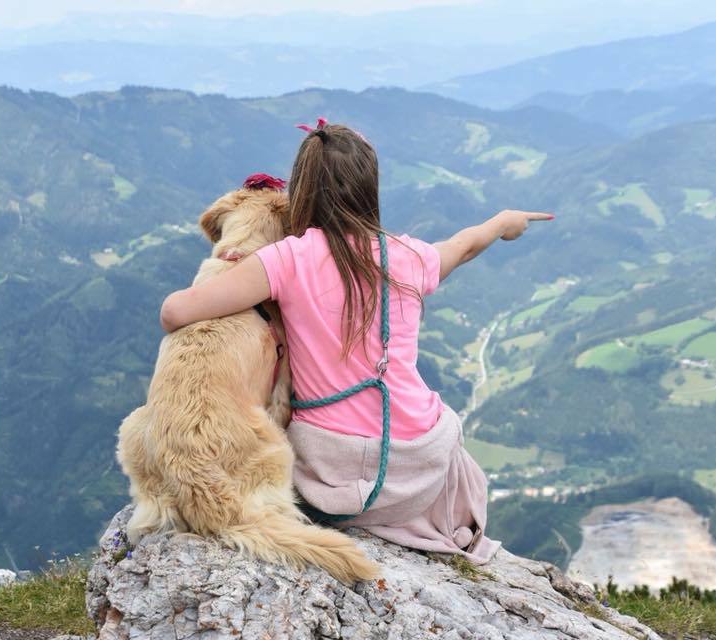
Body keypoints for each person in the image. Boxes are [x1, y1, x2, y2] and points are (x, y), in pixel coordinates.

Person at [159, 120, 553, 563]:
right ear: (370, 188)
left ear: (302, 191)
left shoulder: (285, 260)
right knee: (451, 435)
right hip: (420, 466)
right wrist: (503, 222)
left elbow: (175, 313)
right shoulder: (407, 257)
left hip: (330, 476)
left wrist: (230, 263)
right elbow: (462, 245)